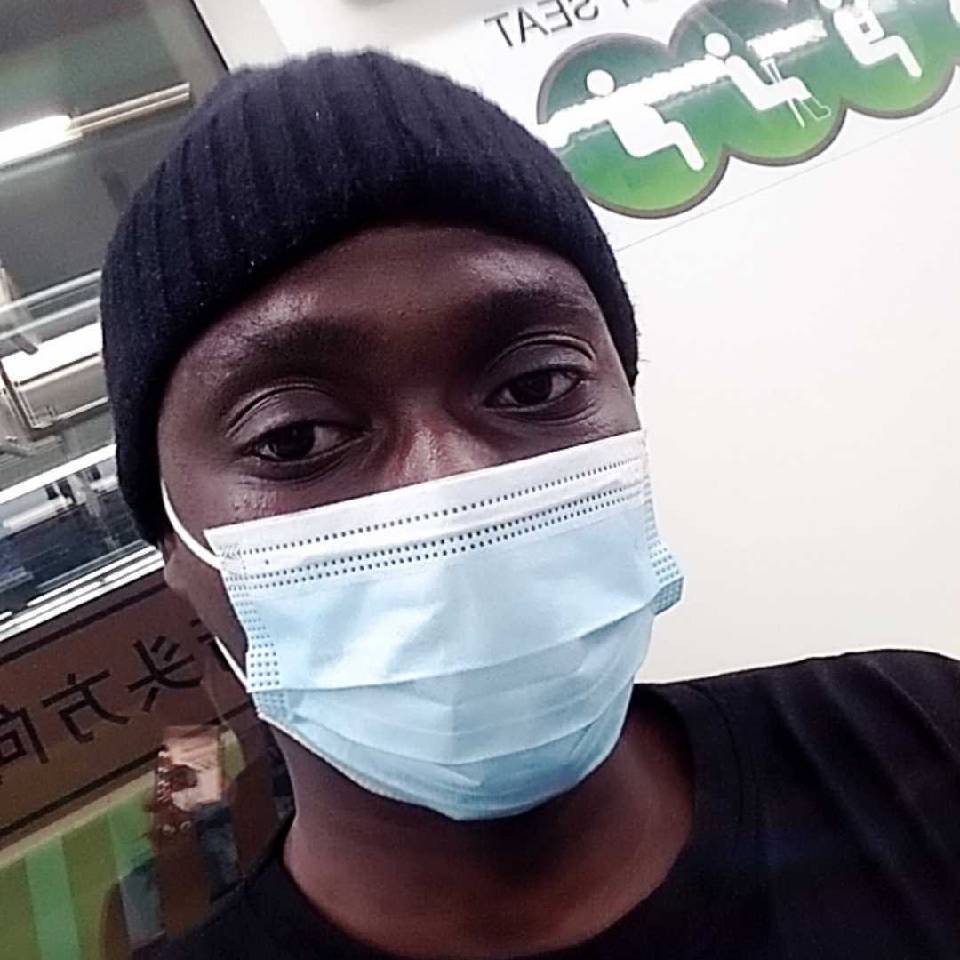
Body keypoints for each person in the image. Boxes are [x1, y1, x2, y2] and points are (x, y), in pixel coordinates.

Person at [99, 51, 960, 960]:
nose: (448, 489)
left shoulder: (916, 737)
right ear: (172, 543)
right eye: (294, 439)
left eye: (537, 383)